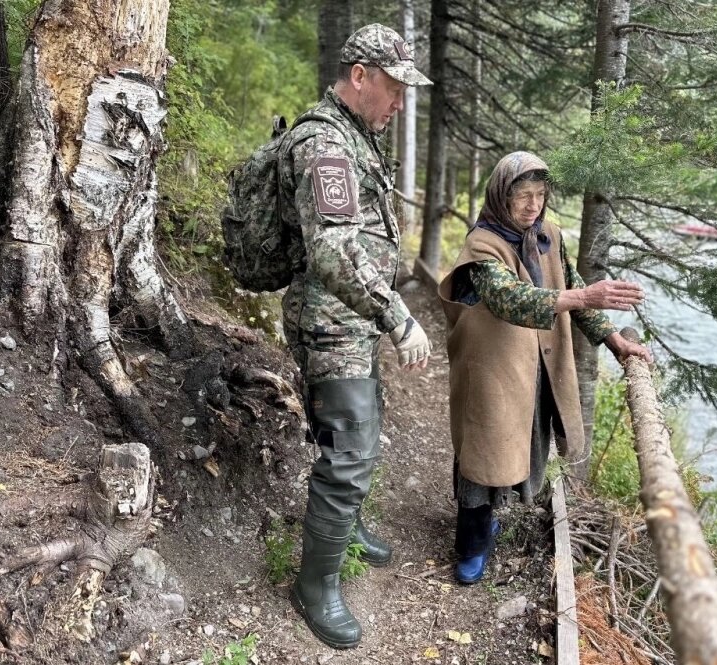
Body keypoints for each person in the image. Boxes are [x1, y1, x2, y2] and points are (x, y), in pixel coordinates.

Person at [278, 24, 433, 649]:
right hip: (331, 319)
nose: (400, 104)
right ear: (361, 75)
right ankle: (315, 587)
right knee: (347, 454)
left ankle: (348, 527)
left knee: (359, 437)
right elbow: (335, 250)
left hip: (353, 318)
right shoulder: (325, 145)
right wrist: (399, 317)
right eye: (394, 88)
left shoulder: (355, 135)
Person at [438, 151, 651, 584]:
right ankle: (472, 544)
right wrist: (583, 298)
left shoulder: (548, 235)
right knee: (485, 449)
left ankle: (492, 520)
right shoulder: (482, 244)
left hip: (536, 364)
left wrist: (616, 342)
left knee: (521, 444)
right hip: (491, 369)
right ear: (501, 196)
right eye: (522, 196)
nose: (532, 205)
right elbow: (509, 298)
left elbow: (569, 287)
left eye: (539, 195)